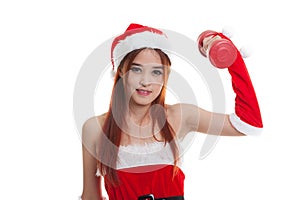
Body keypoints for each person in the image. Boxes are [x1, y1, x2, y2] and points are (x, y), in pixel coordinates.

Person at [80, 23, 263, 200]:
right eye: (136, 70)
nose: (146, 81)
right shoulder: (95, 128)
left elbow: (248, 123)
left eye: (156, 72)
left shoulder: (180, 117)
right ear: (121, 71)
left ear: (166, 75)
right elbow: (90, 196)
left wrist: (233, 60)